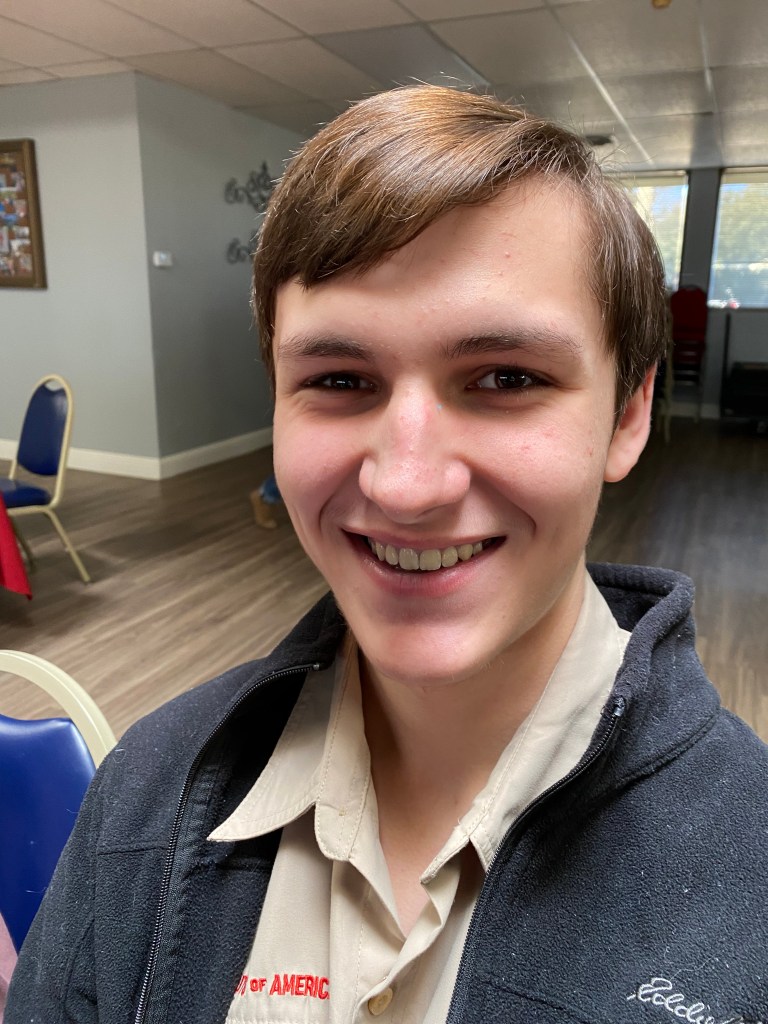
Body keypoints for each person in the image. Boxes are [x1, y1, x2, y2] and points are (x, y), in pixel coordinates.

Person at [7, 86, 767, 1023]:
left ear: (628, 413)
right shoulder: (145, 796)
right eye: (339, 378)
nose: (407, 486)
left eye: (506, 378)